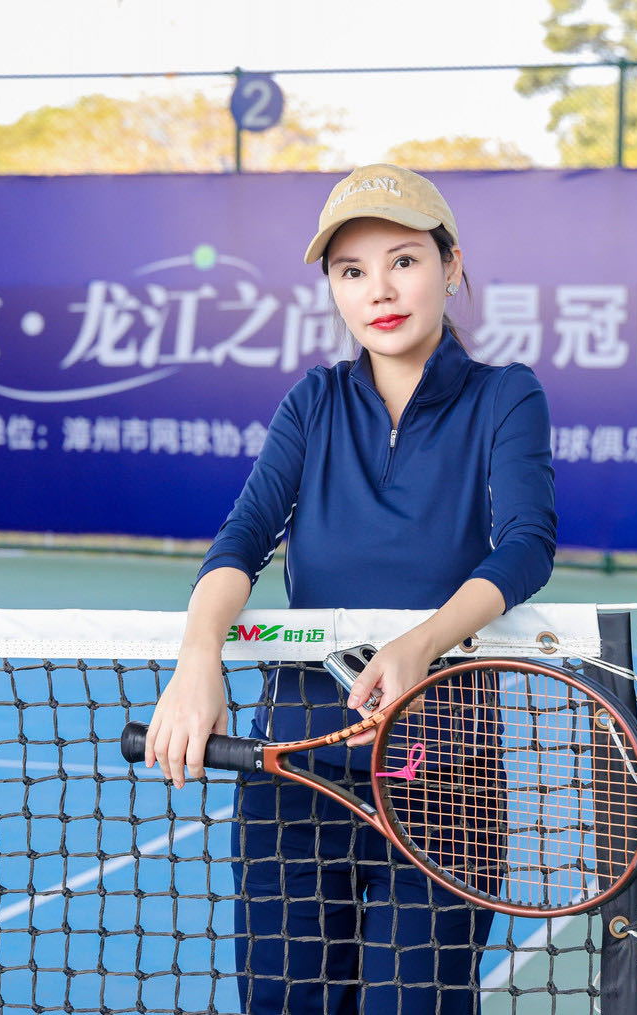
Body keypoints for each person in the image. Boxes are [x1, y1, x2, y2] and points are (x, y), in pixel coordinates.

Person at [143, 164, 556, 1015]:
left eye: (404, 261)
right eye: (352, 271)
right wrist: (197, 657)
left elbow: (526, 545)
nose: (380, 290)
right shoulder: (313, 401)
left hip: (444, 779)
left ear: (451, 265)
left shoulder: (506, 395)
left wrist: (421, 643)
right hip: (293, 776)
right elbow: (242, 538)